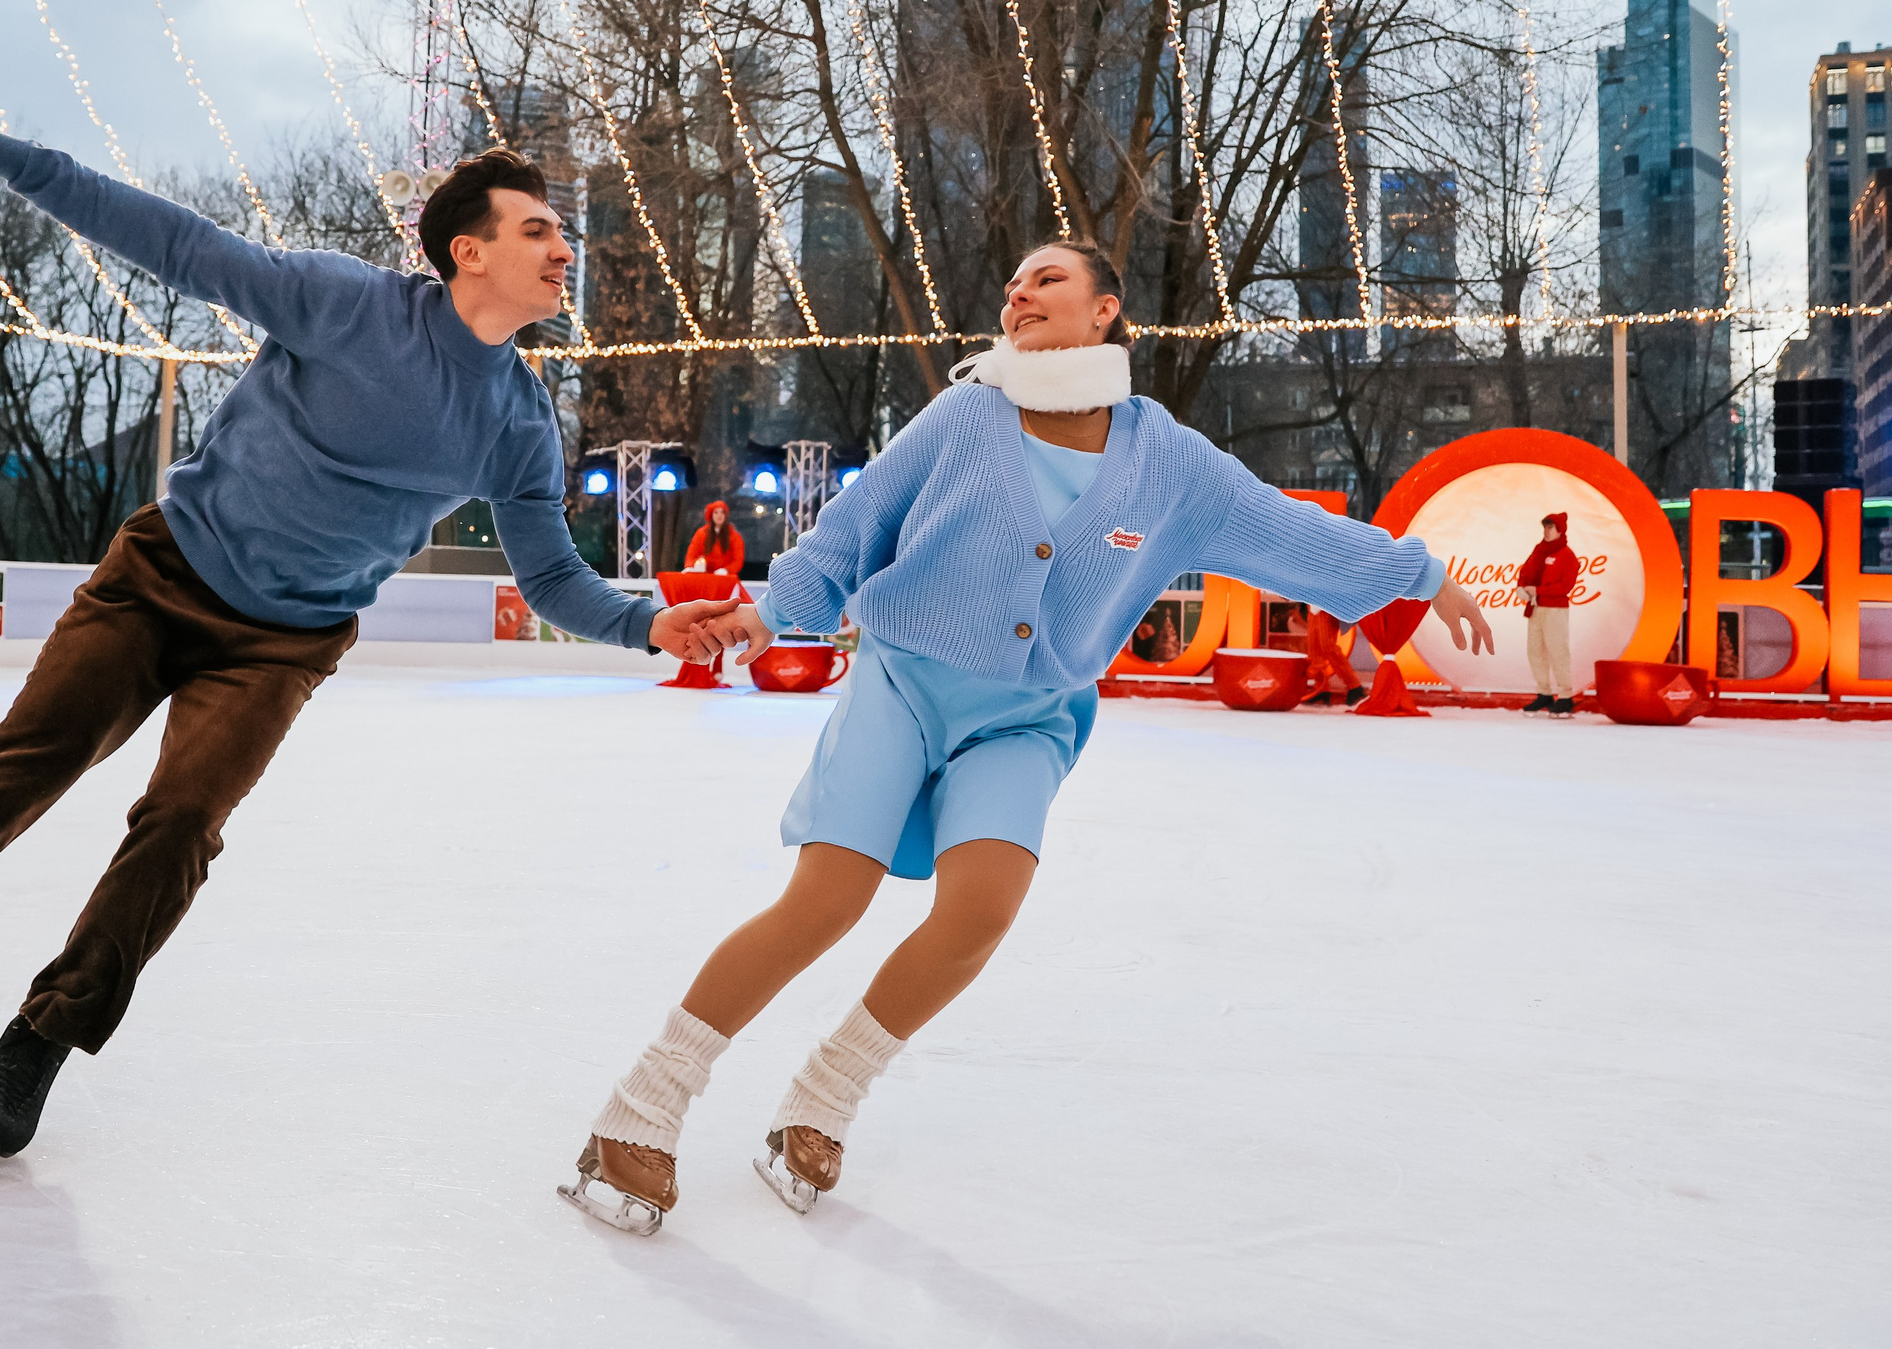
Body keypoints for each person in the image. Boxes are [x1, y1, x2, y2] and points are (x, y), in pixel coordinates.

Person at [0, 103, 737, 1170]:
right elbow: (178, 243)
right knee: (5, 781)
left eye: (561, 231)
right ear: (470, 250)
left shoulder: (515, 419)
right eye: (538, 228)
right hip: (158, 581)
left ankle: (44, 1031)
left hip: (284, 643)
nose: (563, 246)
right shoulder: (345, 304)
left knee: (180, 824)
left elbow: (548, 573)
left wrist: (648, 621)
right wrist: (9, 156)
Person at [560, 239, 1495, 1233]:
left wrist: (1414, 570)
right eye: (1010, 282)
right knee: (825, 900)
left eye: (1047, 278)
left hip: (1030, 711)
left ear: (1105, 311)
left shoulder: (1168, 461)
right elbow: (858, 518)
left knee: (979, 913)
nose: (1019, 292)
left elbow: (1282, 530)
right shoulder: (968, 413)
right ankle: (642, 1107)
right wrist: (772, 606)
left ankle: (820, 1098)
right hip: (905, 678)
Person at [1515, 511, 1580, 716]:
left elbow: (1565, 587)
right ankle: (1544, 693)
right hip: (1537, 608)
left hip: (1555, 610)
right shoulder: (1539, 550)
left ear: (1560, 530)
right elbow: (1525, 571)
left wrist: (1538, 591)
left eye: (1551, 527)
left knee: (1557, 651)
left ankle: (1565, 696)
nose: (1547, 531)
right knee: (1534, 651)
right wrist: (1521, 587)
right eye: (1545, 527)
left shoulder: (1568, 556)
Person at [682, 500, 744, 577]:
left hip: (725, 578)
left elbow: (738, 560)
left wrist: (727, 570)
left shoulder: (735, 536)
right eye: (716, 512)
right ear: (711, 515)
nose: (719, 515)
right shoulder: (701, 534)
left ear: (726, 516)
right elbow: (691, 555)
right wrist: (691, 567)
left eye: (722, 512)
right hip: (703, 577)